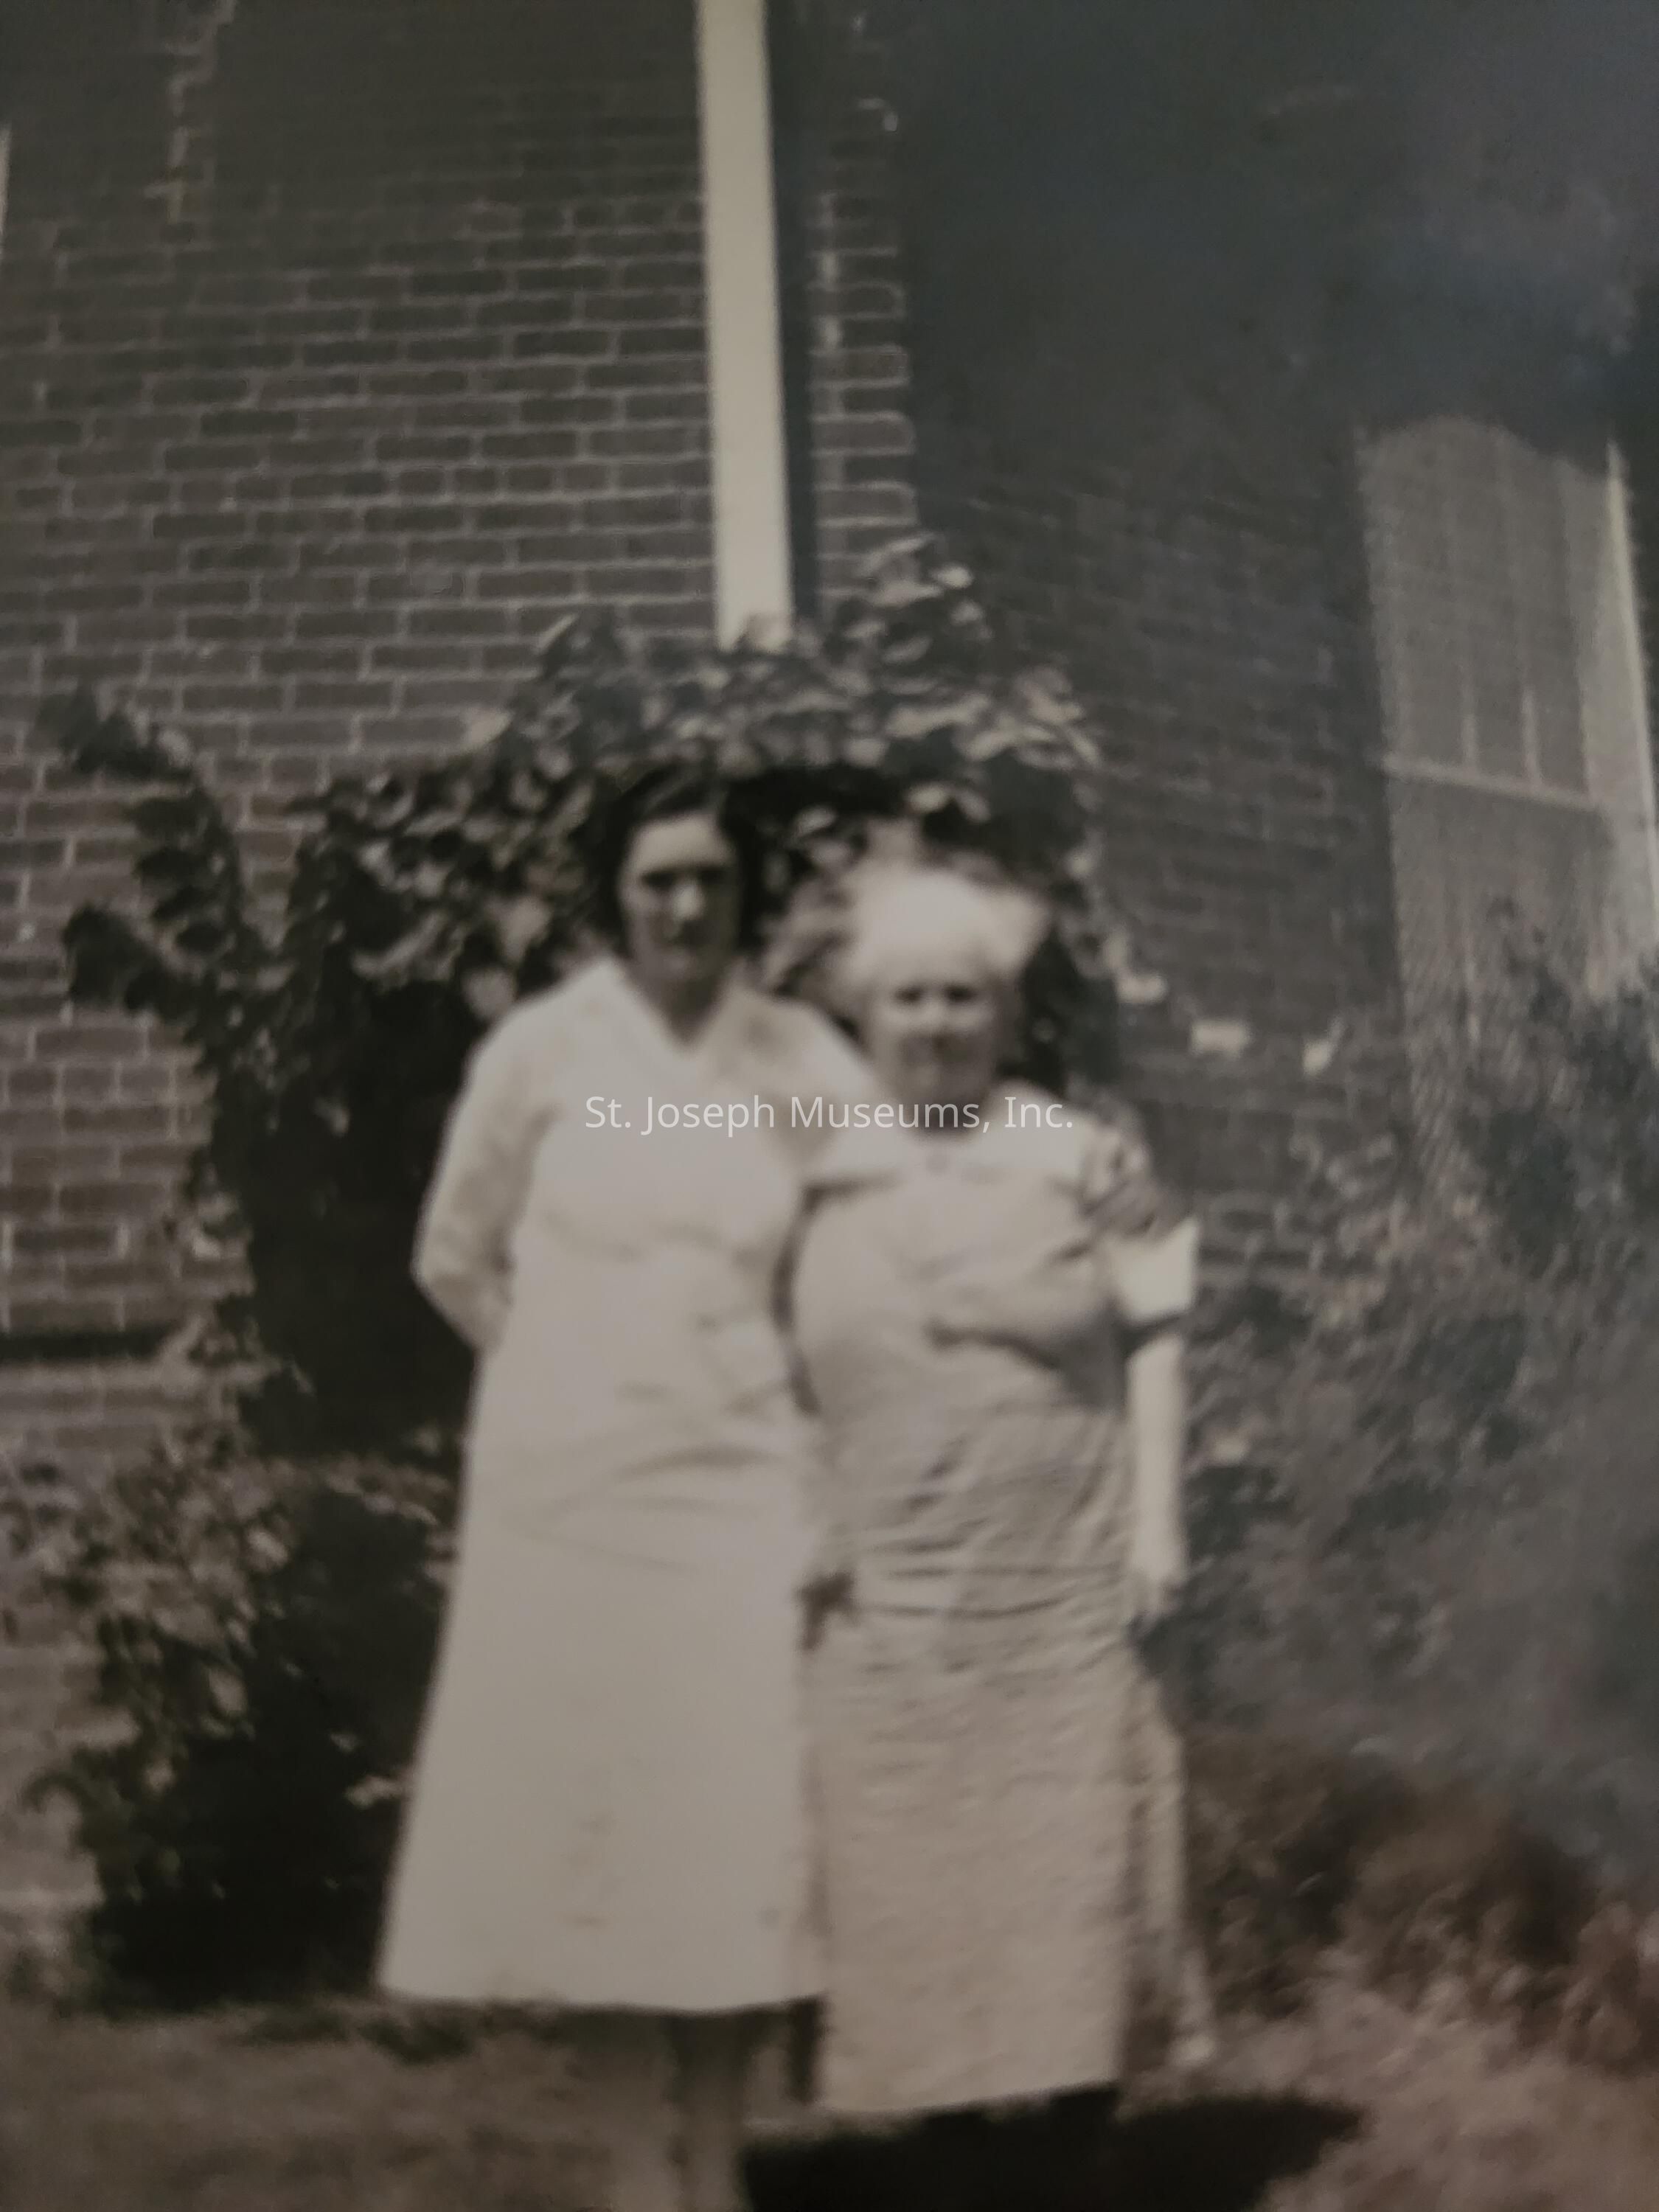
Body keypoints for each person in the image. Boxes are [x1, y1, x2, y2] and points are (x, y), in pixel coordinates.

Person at [378, 762, 870, 2212]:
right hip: (573, 1506)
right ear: (616, 896)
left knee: (730, 1828)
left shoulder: (798, 1056)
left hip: (742, 1490)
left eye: (712, 878)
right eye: (660, 879)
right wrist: (559, 1376)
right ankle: (628, 2169)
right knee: (595, 1830)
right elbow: (452, 1254)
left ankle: (715, 2163)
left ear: (746, 893)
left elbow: (874, 1239)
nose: (687, 904)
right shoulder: (542, 1051)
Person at [789, 862, 1215, 2178]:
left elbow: (1156, 1336)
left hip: (1057, 1574)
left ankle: (1071, 2126)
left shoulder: (1080, 1154)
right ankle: (948, 2134)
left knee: (1070, 1840)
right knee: (905, 1852)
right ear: (863, 1013)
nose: (935, 1022)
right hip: (883, 1583)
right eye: (908, 997)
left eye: (962, 997)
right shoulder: (805, 1155)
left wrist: (1156, 1523)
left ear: (1006, 1015)